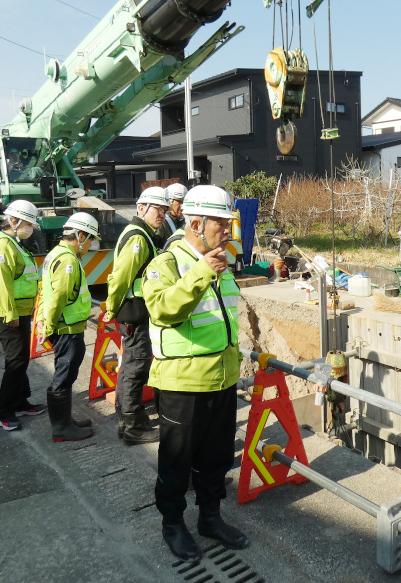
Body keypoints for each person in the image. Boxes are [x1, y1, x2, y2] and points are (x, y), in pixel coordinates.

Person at [142, 185, 248, 562]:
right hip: (182, 383)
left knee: (217, 455)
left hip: (222, 377)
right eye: (222, 223)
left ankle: (210, 517)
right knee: (177, 458)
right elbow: (162, 309)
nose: (229, 231)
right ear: (197, 223)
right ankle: (173, 523)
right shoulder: (166, 264)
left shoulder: (220, 260)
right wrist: (201, 273)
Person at [103, 187, 169, 444]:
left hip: (135, 311)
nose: (162, 214)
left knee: (132, 364)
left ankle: (127, 419)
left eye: (164, 210)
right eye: (158, 209)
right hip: (135, 311)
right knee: (136, 366)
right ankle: (133, 427)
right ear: (141, 208)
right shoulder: (138, 237)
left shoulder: (143, 234)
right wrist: (111, 308)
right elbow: (121, 278)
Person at [35, 212, 100, 442]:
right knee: (63, 376)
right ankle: (61, 428)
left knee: (66, 374)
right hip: (67, 329)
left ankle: (66, 421)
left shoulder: (55, 255)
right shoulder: (69, 260)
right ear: (80, 235)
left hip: (63, 327)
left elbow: (46, 292)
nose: (91, 244)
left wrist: (43, 321)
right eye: (90, 239)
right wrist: (49, 326)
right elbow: (59, 297)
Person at [0, 200, 43, 431]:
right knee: (14, 362)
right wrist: (10, 314)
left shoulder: (15, 244)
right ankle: (4, 412)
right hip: (7, 314)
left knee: (21, 359)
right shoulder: (3, 247)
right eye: (28, 222)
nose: (30, 227)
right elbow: (1, 285)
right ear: (14, 221)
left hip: (20, 312)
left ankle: (20, 402)